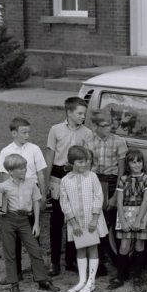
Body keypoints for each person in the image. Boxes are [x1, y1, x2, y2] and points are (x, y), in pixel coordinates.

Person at [0, 154, 60, 292]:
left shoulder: (31, 183)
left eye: (25, 167)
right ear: (11, 171)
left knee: (35, 249)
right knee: (10, 252)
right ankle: (14, 283)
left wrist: (36, 224)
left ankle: (42, 281)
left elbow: (36, 202)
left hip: (24, 220)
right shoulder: (3, 186)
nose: (24, 170)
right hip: (8, 220)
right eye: (20, 168)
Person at [44, 96, 93, 276]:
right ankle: (55, 262)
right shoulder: (55, 130)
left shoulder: (87, 133)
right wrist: (45, 184)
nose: (83, 117)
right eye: (79, 113)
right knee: (57, 221)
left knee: (75, 220)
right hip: (58, 178)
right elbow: (49, 157)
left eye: (84, 114)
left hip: (76, 177)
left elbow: (88, 160)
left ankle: (71, 260)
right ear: (69, 112)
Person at [0, 117, 48, 285]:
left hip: (31, 194)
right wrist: (5, 203)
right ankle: (15, 273)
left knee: (33, 235)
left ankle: (38, 273)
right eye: (24, 132)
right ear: (14, 133)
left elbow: (40, 174)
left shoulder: (34, 149)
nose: (27, 135)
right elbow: (5, 177)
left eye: (28, 132)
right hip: (14, 198)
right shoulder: (6, 151)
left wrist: (43, 195)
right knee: (14, 239)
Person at [108, 149, 147, 291]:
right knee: (124, 245)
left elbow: (146, 201)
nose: (136, 165)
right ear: (128, 164)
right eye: (133, 162)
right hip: (126, 214)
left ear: (142, 163)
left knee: (139, 244)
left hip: (142, 215)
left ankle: (137, 276)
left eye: (139, 161)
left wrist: (138, 220)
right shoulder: (123, 179)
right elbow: (119, 202)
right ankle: (120, 276)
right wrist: (123, 220)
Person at [59, 146, 109, 292]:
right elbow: (65, 203)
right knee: (80, 249)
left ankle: (91, 281)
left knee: (92, 247)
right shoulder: (65, 181)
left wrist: (94, 219)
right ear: (71, 163)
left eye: (86, 161)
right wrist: (73, 223)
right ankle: (82, 280)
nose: (84, 164)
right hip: (76, 222)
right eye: (80, 162)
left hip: (91, 219)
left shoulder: (92, 176)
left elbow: (98, 196)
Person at [85, 111, 128, 272]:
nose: (108, 128)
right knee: (97, 221)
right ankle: (99, 263)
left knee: (112, 222)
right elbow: (87, 168)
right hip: (96, 181)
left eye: (110, 125)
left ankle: (118, 261)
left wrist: (115, 195)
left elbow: (122, 171)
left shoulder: (119, 142)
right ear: (95, 126)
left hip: (112, 182)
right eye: (104, 126)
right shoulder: (89, 142)